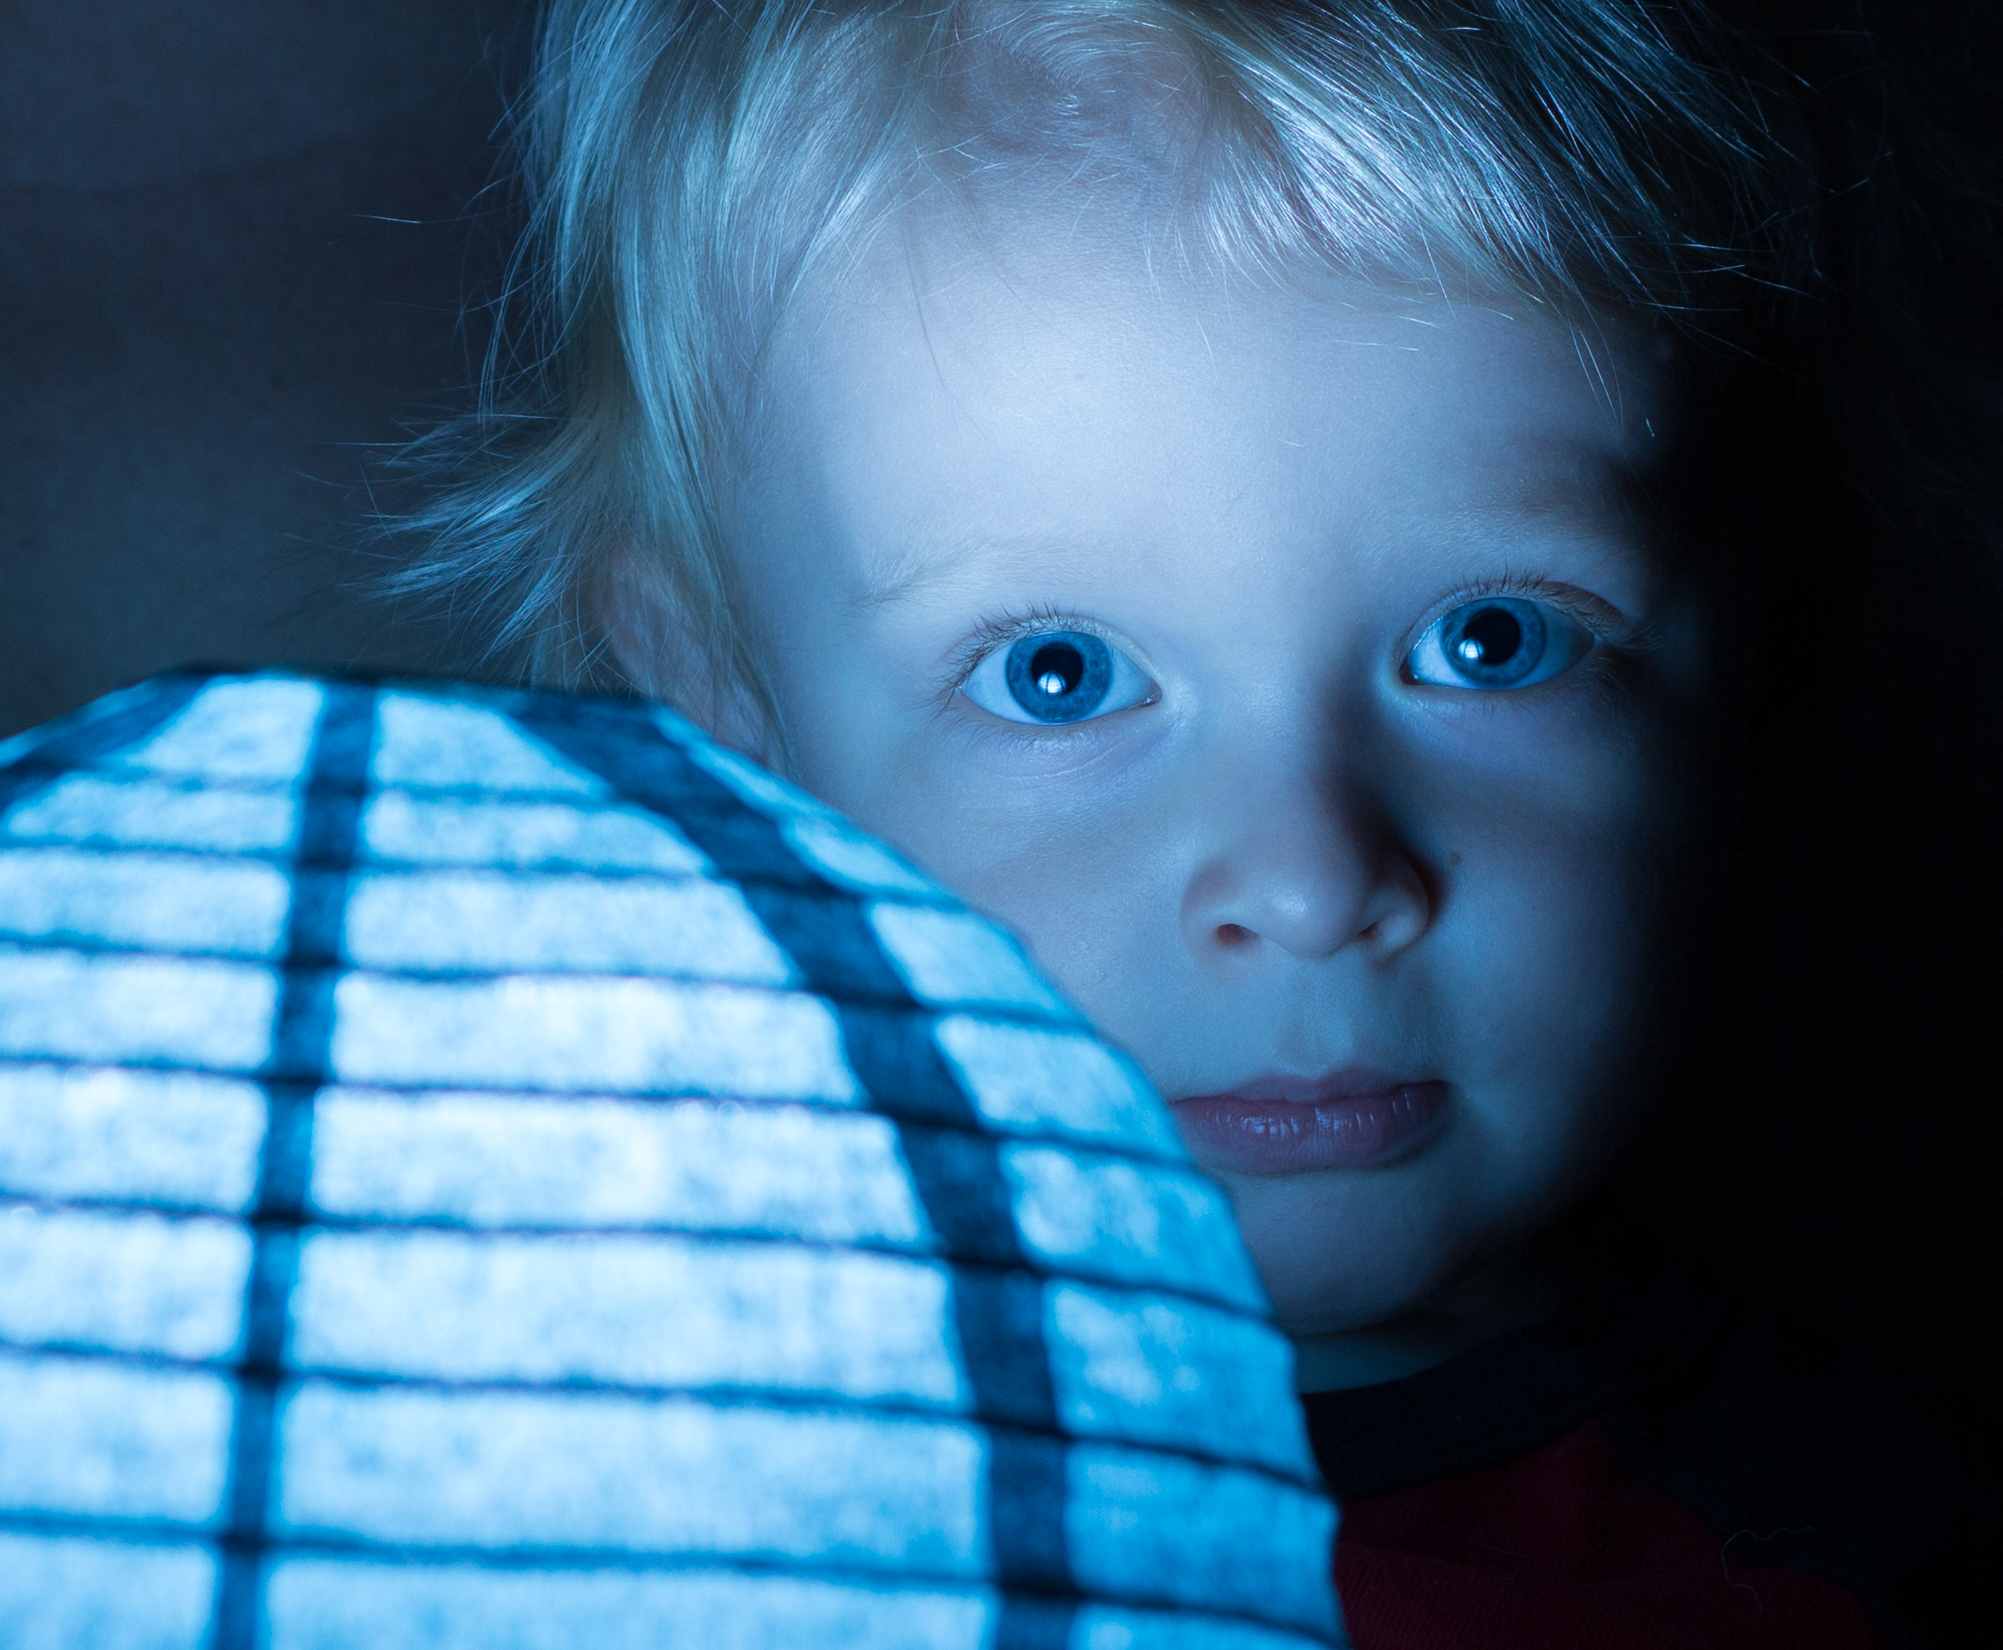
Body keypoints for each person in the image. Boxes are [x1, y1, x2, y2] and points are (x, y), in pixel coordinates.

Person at [390, 2, 1991, 1643]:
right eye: (1061, 674)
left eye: (1490, 640)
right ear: (722, 725)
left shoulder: (1859, 1566)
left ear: (1777, 656)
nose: (1308, 881)